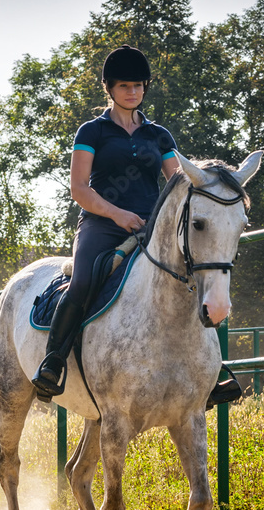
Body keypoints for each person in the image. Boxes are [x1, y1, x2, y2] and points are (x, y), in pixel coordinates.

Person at [31, 45, 241, 408]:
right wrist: (116, 214)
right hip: (102, 225)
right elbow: (79, 188)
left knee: (195, 277)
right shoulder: (92, 131)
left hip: (151, 226)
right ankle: (52, 363)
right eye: (125, 85)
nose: (133, 92)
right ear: (109, 88)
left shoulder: (159, 136)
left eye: (139, 85)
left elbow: (178, 183)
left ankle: (211, 369)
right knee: (83, 281)